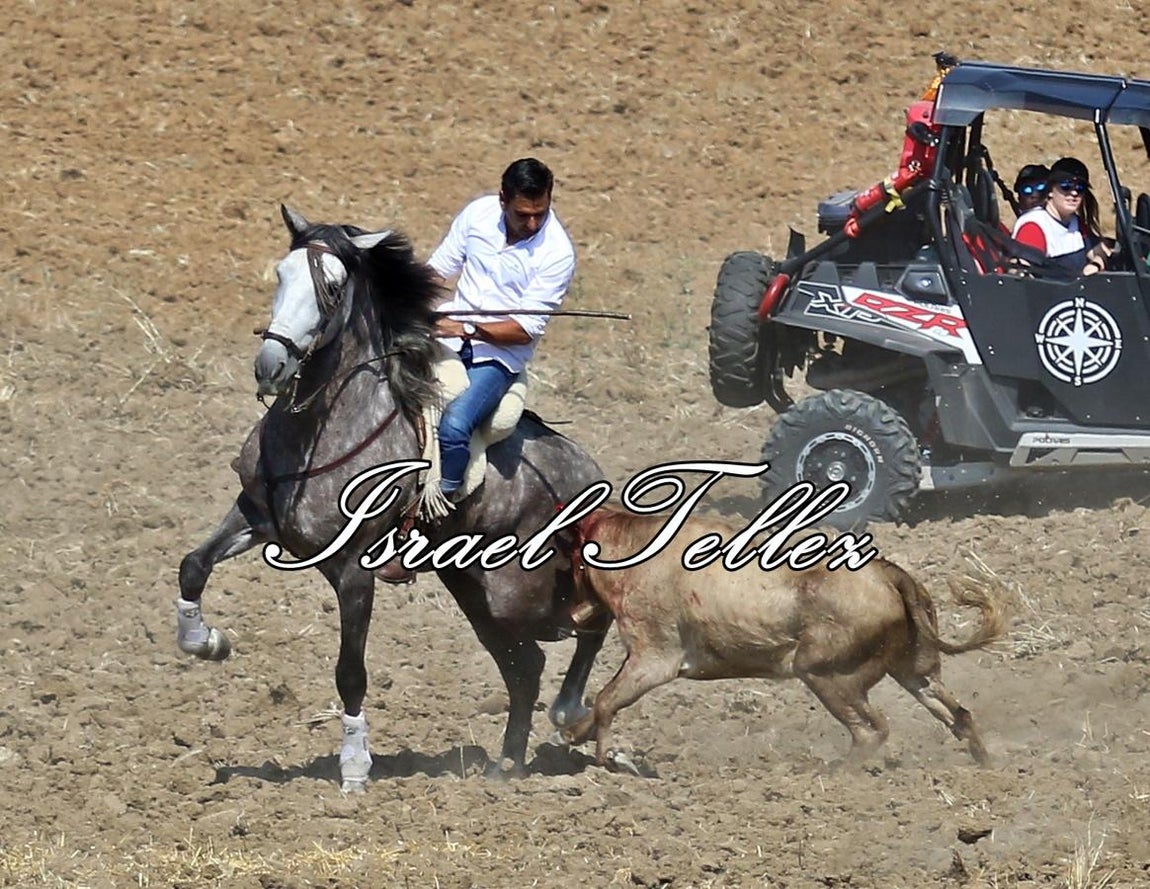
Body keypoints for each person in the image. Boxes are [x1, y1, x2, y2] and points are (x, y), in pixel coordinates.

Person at [428, 157, 575, 501]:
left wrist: (464, 327)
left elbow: (524, 331)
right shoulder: (477, 215)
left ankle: (443, 501)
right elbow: (438, 270)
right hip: (448, 336)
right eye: (522, 214)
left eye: (541, 212)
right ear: (502, 199)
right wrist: (412, 303)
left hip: (498, 357)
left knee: (454, 426)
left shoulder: (557, 253)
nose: (533, 222)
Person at [1011, 157, 1112, 275]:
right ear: (1050, 190)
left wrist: (1095, 265)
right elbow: (1021, 276)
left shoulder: (1075, 222)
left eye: (1080, 188)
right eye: (1066, 186)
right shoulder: (1034, 226)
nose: (1074, 193)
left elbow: (1100, 251)